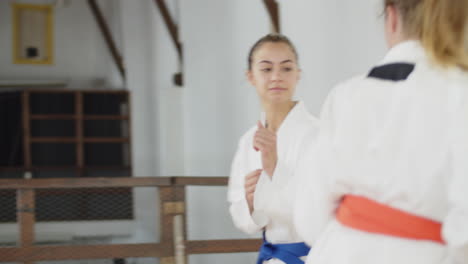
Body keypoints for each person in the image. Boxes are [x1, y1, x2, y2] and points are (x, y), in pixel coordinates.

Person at [294, 0, 468, 263]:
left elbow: (309, 218)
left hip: (338, 252)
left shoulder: (345, 95)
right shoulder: (459, 93)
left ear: (392, 17)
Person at [228, 33, 319, 264]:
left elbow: (321, 209)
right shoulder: (248, 140)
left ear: (298, 74)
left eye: (286, 68)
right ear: (251, 76)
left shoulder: (318, 134)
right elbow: (243, 217)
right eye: (266, 69)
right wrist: (250, 203)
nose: (277, 77)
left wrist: (275, 170)